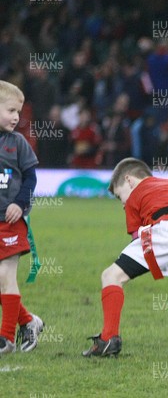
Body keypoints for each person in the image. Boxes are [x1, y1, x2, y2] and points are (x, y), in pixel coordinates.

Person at [82, 157, 168, 357]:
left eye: (121, 197)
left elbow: (138, 237)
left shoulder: (136, 194)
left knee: (111, 276)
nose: (123, 204)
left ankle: (108, 339)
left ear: (129, 180)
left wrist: (162, 255)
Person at [0, 80, 44, 354]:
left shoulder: (17, 143)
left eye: (19, 111)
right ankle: (29, 322)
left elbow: (30, 178)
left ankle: (6, 339)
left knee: (6, 274)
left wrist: (19, 203)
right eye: (10, 110)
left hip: (11, 221)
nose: (17, 117)